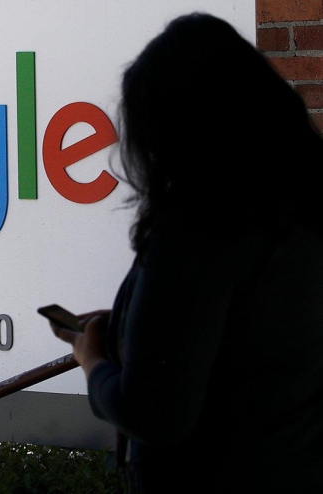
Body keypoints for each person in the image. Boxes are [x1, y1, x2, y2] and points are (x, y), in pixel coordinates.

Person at [51, 12, 323, 494]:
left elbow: (154, 414)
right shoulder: (301, 205)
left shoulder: (201, 230)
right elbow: (245, 330)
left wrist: (92, 360)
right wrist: (133, 325)